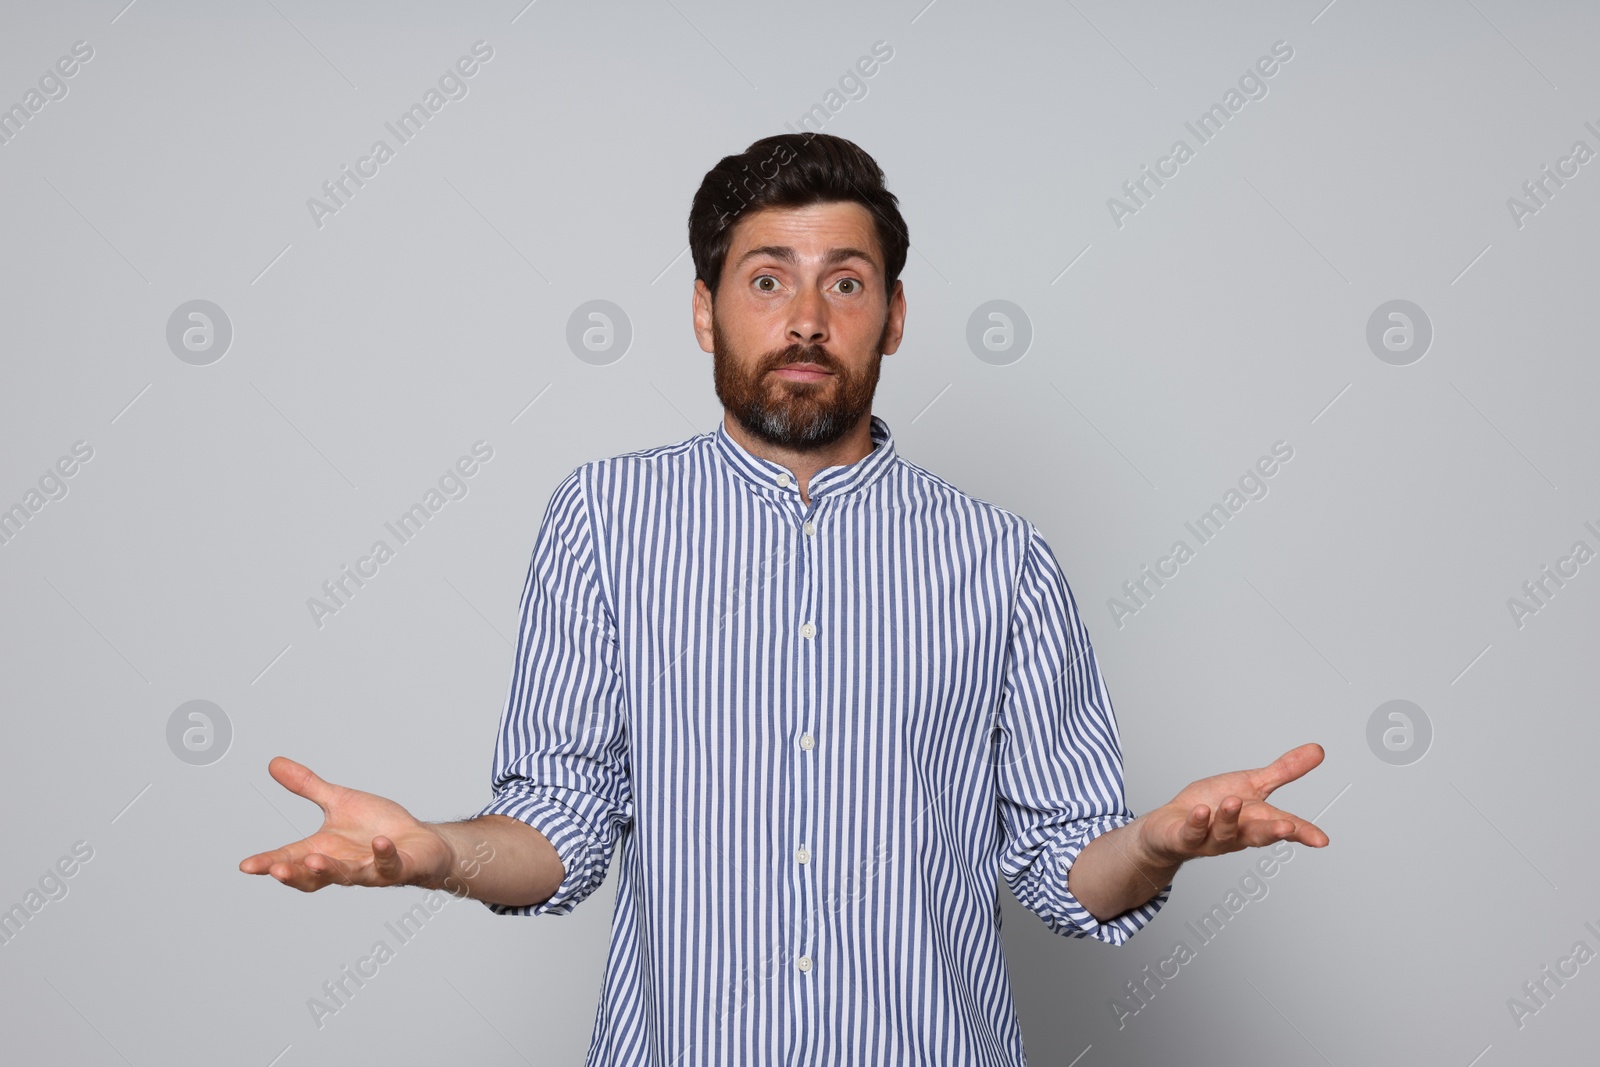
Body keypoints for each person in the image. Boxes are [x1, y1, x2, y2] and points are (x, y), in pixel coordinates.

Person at [240, 132, 1329, 1065]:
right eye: (767, 277)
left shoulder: (1004, 559)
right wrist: (433, 851)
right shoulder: (604, 520)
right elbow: (558, 826)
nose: (806, 316)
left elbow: (1066, 867)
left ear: (893, 315)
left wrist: (1158, 841)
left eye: (844, 281)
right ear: (707, 311)